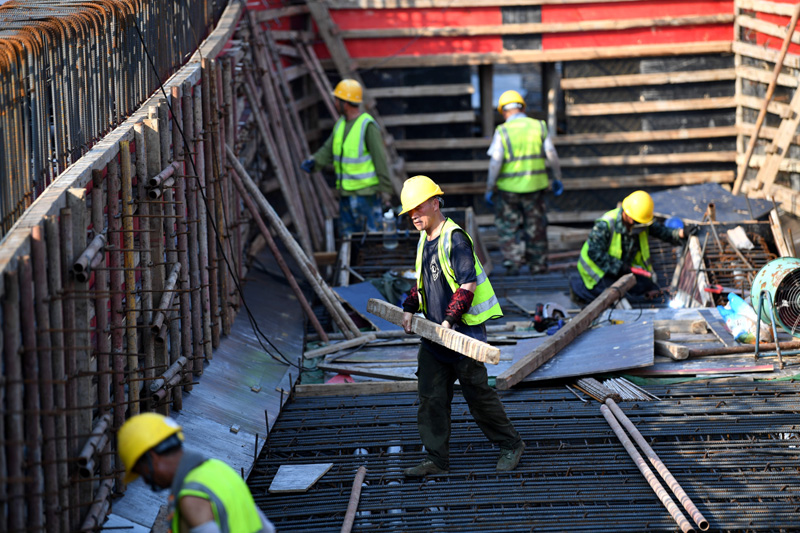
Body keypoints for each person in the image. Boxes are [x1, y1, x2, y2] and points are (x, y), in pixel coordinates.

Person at [398, 175, 525, 477]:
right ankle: (436, 459)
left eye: (418, 208)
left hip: (462, 335)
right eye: (409, 212)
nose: (414, 216)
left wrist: (449, 320)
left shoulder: (454, 238)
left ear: (435, 202)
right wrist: (409, 308)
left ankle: (511, 444)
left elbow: (467, 284)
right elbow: (423, 282)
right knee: (431, 398)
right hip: (434, 337)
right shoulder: (424, 239)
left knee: (478, 396)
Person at [118, 413, 275, 533]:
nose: (146, 481)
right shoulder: (219, 469)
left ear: (153, 458)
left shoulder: (192, 498)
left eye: (142, 473)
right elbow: (266, 528)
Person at [485, 89, 563, 276]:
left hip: (508, 191)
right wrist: (557, 178)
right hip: (535, 188)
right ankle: (538, 266)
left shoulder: (503, 131)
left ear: (503, 111)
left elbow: (495, 161)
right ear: (523, 108)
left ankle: (512, 264)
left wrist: (489, 187)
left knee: (507, 228)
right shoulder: (539, 126)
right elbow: (551, 153)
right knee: (536, 226)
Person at [301, 78, 392, 236]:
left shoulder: (367, 126)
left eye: (337, 100)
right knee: (348, 240)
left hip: (366, 196)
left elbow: (380, 160)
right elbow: (328, 150)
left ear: (346, 103)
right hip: (346, 195)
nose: (335, 103)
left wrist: (385, 192)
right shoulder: (341, 124)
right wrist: (314, 162)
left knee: (370, 239)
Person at [570, 190, 692, 305]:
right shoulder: (606, 224)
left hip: (623, 270)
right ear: (627, 215)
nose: (640, 225)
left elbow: (662, 232)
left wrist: (681, 233)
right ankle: (579, 291)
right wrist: (621, 267)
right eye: (637, 222)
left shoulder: (641, 221)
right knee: (618, 299)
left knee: (648, 288)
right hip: (598, 273)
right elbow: (594, 252)